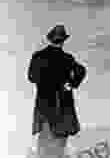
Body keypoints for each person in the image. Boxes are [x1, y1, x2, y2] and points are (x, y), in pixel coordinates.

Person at [28, 25, 86, 158]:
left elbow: (31, 77)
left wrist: (44, 83)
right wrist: (71, 84)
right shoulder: (67, 58)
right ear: (63, 41)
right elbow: (81, 71)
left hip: (44, 105)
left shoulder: (38, 56)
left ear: (50, 39)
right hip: (62, 106)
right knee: (60, 143)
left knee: (44, 142)